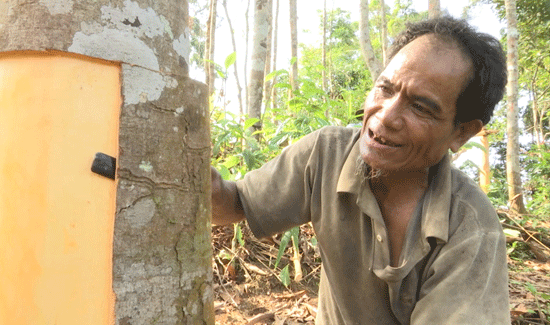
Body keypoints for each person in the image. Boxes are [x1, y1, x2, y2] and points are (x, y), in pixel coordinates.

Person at [211, 16, 510, 324]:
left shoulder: (471, 229)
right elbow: (233, 203)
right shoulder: (327, 155)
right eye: (385, 88)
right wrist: (197, 179)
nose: (386, 116)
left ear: (461, 133)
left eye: (420, 107)